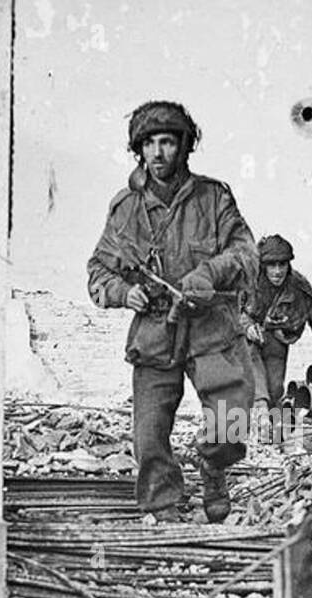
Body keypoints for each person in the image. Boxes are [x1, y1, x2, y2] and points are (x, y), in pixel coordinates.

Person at [87, 101, 258, 523]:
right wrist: (123, 292)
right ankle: (163, 509)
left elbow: (246, 253)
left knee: (231, 417)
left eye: (168, 142)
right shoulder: (125, 208)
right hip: (155, 329)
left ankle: (214, 466)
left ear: (184, 147)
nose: (159, 153)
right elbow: (98, 270)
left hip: (209, 324)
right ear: (138, 150)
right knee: (149, 433)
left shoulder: (213, 197)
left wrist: (209, 272)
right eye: (150, 144)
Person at [240, 235, 312, 438]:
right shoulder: (247, 280)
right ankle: (257, 416)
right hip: (247, 338)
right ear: (263, 266)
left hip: (277, 338)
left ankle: (271, 436)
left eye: (282, 265)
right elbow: (228, 310)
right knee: (259, 390)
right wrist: (247, 326)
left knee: (275, 389)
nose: (277, 271)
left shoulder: (299, 286)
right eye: (271, 265)